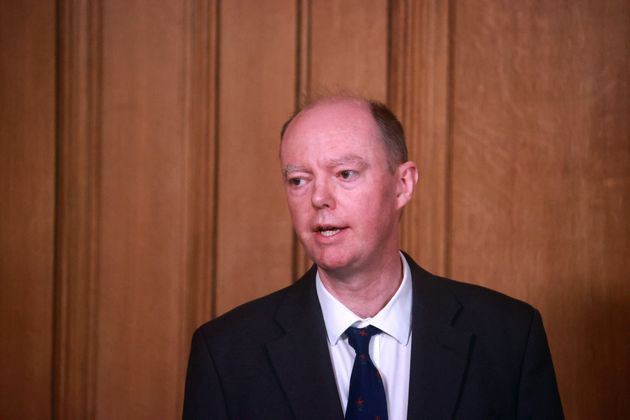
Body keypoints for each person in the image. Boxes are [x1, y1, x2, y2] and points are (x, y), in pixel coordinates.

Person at [183, 96, 564, 419]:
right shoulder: (226, 354)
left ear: (403, 185)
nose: (318, 198)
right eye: (299, 179)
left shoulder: (509, 337)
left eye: (345, 173)